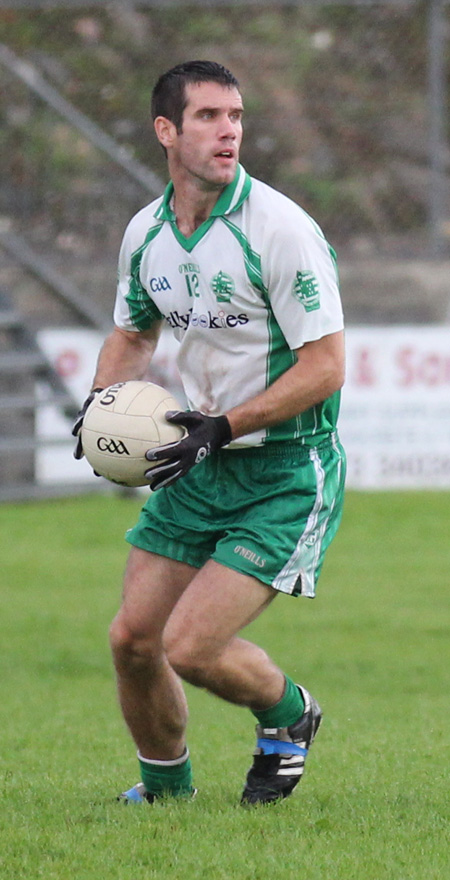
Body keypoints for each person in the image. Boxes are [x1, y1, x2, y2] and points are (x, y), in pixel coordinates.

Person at [73, 60, 346, 806]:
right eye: (208, 116)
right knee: (132, 641)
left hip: (286, 471)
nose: (229, 130)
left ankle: (290, 715)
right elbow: (133, 333)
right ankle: (165, 791)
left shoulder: (280, 229)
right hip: (197, 462)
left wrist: (222, 425)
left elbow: (326, 367)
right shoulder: (149, 233)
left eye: (235, 116)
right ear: (166, 130)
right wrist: (102, 405)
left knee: (189, 647)